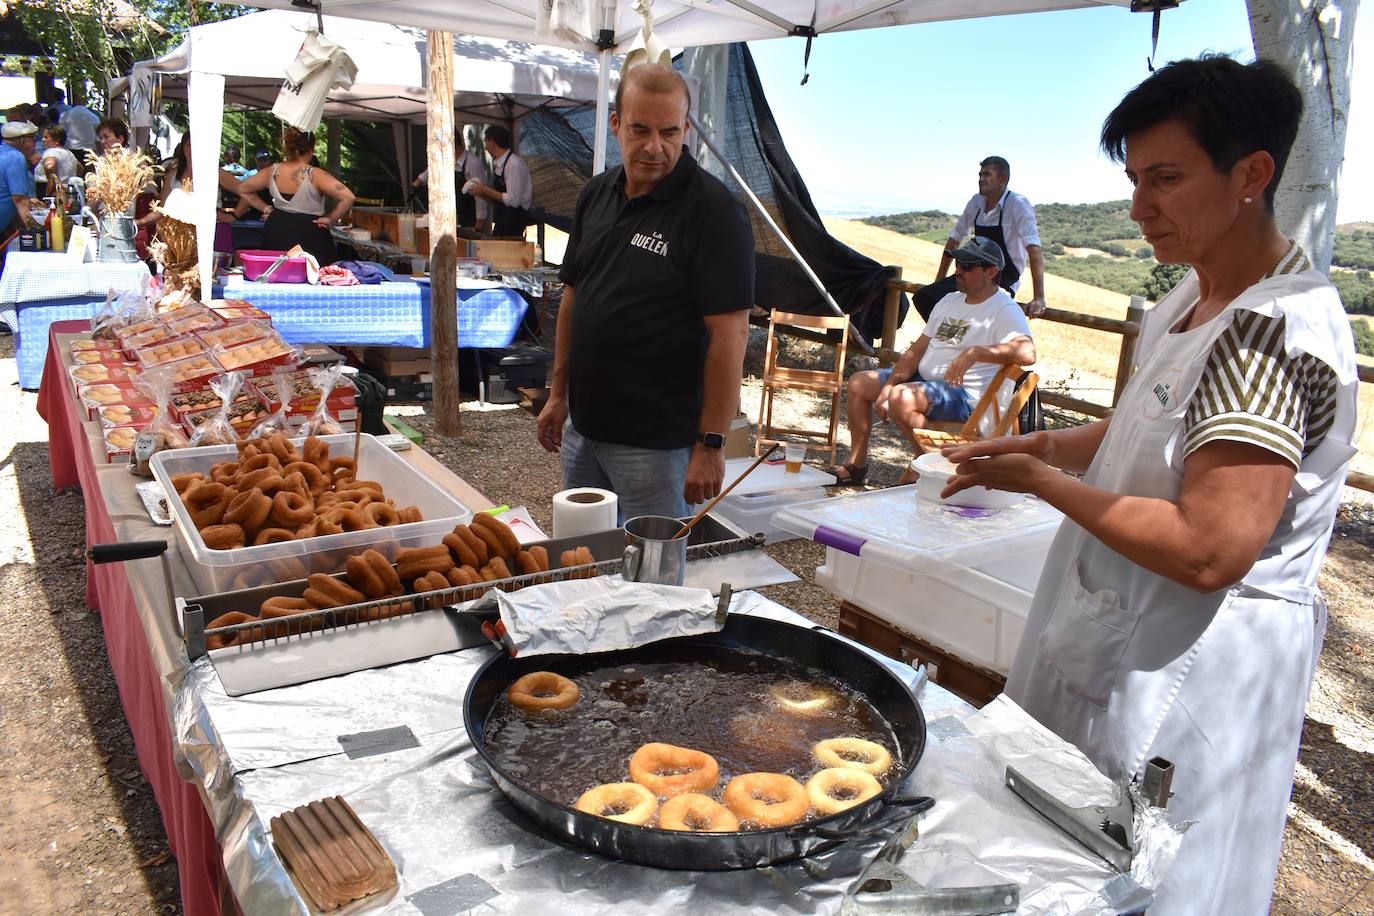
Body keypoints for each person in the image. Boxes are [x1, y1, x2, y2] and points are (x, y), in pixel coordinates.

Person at [942, 57, 1358, 915]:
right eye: (1133, 181)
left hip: (1193, 669)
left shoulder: (1267, 335)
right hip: (1118, 628)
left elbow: (1211, 547)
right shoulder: (1192, 299)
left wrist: (1042, 484)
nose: (1139, 209)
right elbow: (1149, 428)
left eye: (1165, 179)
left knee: (1146, 880)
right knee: (1056, 855)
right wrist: (1051, 444)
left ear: (1251, 174)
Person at [536, 63, 754, 519]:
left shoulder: (713, 211)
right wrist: (559, 395)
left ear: (686, 129)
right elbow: (574, 298)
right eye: (640, 130)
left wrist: (712, 443)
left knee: (651, 584)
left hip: (657, 445)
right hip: (585, 428)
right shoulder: (596, 195)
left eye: (669, 132)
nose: (655, 147)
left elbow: (730, 335)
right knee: (587, 564)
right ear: (615, 124)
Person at [834, 236, 1034, 486]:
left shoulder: (1003, 309)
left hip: (965, 395)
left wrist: (976, 353)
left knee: (902, 397)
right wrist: (888, 385)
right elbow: (916, 351)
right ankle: (857, 466)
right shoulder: (950, 299)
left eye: (967, 266)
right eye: (958, 263)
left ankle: (930, 469)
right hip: (926, 384)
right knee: (859, 383)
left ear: (991, 272)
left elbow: (1028, 353)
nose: (958, 270)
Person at [914, 156, 1046, 321]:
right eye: (980, 175)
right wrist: (939, 280)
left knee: (965, 314)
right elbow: (954, 240)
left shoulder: (1017, 204)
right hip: (973, 274)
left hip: (1000, 281)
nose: (981, 179)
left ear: (1002, 179)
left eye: (987, 175)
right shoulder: (976, 203)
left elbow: (1034, 250)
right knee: (925, 297)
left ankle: (956, 342)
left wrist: (1039, 297)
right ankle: (950, 343)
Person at [235, 128, 354, 265]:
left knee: (276, 274)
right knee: (315, 278)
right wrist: (331, 218)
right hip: (309, 232)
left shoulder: (273, 171)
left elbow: (243, 188)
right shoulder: (315, 174)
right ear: (311, 149)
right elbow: (348, 196)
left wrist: (266, 208)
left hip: (276, 228)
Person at [411, 131, 488, 231]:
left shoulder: (473, 164)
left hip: (469, 219)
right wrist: (416, 184)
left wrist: (478, 227)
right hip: (449, 217)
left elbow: (480, 199)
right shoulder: (445, 158)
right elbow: (430, 171)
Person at [468, 124, 531, 237]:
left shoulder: (513, 165)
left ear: (493, 142)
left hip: (513, 227)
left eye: (486, 142)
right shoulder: (500, 165)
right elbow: (499, 200)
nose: (486, 147)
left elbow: (513, 201)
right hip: (501, 224)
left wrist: (486, 190)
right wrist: (481, 193)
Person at [0, 121, 38, 233]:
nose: (36, 143)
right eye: (34, 138)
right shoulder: (15, 157)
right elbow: (20, 200)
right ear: (24, 141)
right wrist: (37, 232)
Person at [34, 125, 80, 196]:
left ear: (57, 140)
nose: (43, 140)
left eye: (46, 137)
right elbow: (80, 168)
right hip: (67, 190)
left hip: (49, 189)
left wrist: (49, 192)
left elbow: (50, 167)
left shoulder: (51, 152)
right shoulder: (69, 153)